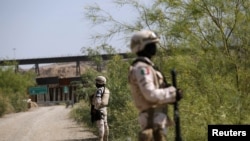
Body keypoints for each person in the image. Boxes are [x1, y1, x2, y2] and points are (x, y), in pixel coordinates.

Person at [128, 30, 183, 141]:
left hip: (155, 119)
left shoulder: (145, 67)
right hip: (152, 120)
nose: (154, 47)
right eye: (151, 45)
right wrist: (173, 93)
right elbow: (150, 94)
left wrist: (166, 92)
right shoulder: (142, 68)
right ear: (142, 47)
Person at [90, 76, 110, 141]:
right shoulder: (106, 90)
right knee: (105, 126)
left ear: (98, 83)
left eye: (96, 82)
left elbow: (98, 101)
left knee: (101, 127)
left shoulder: (99, 90)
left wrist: (95, 109)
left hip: (99, 111)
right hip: (104, 110)